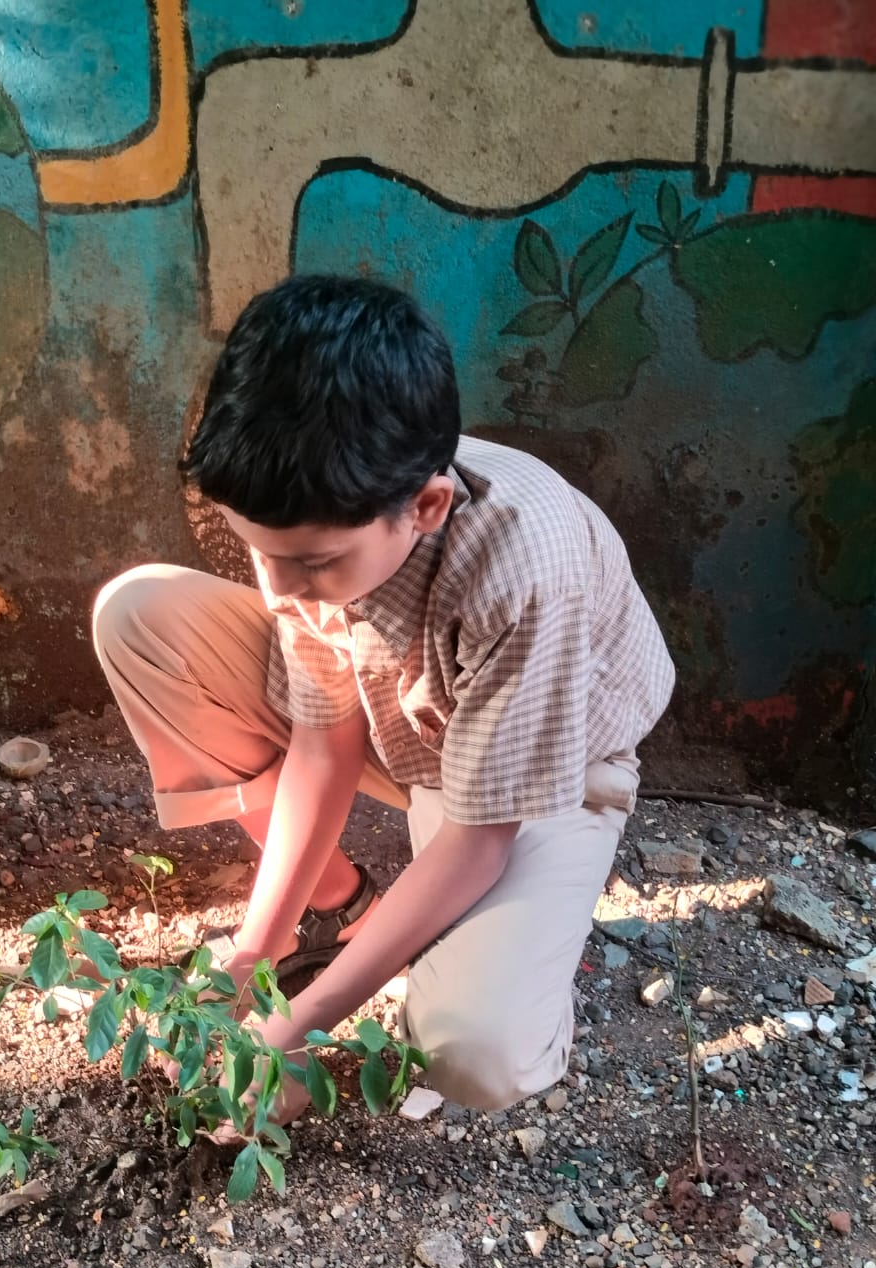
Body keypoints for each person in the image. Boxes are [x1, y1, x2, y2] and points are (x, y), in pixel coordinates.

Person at [93, 274, 673, 1123]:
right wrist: (256, 949)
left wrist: (303, 1022)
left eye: (313, 562)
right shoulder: (317, 511)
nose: (284, 585)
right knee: (140, 616)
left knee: (474, 1055)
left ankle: (473, 968)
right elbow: (322, 745)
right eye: (265, 555)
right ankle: (340, 909)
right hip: (399, 717)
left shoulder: (522, 571)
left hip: (541, 769)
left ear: (428, 506)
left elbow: (477, 841)